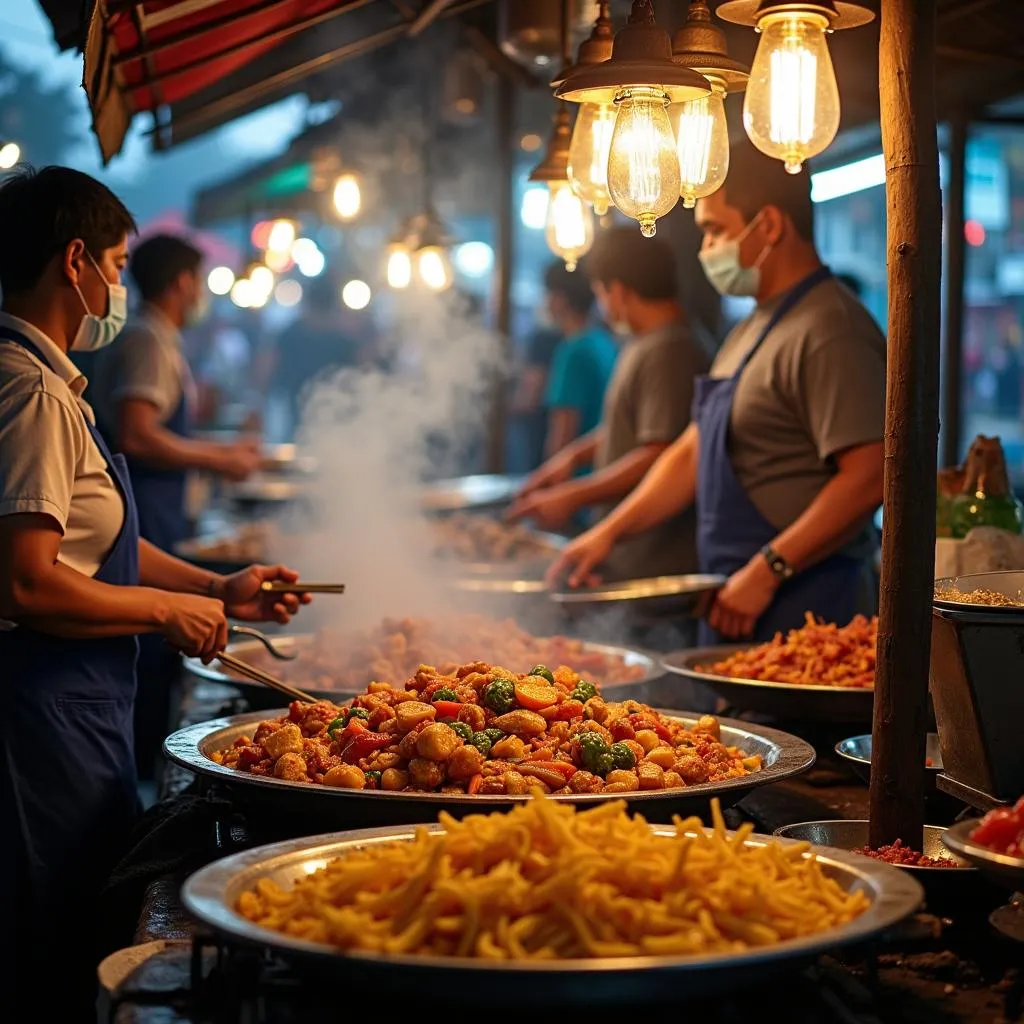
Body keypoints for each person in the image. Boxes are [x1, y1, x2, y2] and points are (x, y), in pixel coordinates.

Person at [0, 167, 309, 1011]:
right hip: (35, 712)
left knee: (81, 911)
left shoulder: (51, 383)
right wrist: (166, 610)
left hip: (76, 704)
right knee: (49, 937)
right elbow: (28, 581)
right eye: (115, 259)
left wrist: (220, 587)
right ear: (75, 261)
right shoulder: (25, 391)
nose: (118, 283)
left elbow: (106, 545)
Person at [550, 140, 886, 644]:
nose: (707, 249)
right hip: (735, 598)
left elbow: (872, 473)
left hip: (810, 606)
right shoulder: (753, 326)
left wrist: (770, 568)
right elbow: (690, 451)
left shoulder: (830, 328)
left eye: (715, 229)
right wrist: (607, 533)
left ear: (769, 226)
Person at [90, 233, 263, 780]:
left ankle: (143, 764)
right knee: (149, 651)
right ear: (183, 282)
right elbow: (139, 434)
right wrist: (217, 458)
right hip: (143, 510)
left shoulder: (158, 336)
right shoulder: (146, 337)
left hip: (156, 514)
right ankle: (146, 766)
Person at [509, 229, 710, 580]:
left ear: (617, 290)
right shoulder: (643, 343)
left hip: (653, 562)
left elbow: (659, 452)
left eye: (601, 292)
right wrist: (572, 459)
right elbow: (632, 426)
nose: (602, 303)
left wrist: (573, 497)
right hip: (626, 554)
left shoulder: (670, 351)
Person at [540, 260, 618, 461]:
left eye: (548, 294)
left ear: (561, 299)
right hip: (603, 465)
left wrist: (547, 481)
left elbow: (564, 429)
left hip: (578, 477)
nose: (545, 302)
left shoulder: (573, 352)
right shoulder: (603, 341)